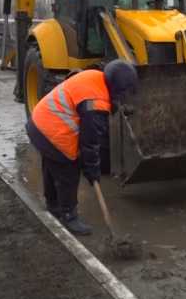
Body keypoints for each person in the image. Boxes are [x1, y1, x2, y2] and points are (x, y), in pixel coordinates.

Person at [25, 60, 138, 236]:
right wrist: (92, 170)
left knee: (51, 164)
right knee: (69, 169)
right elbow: (90, 144)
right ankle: (69, 216)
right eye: (123, 94)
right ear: (117, 89)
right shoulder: (96, 104)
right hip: (52, 131)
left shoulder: (95, 76)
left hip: (37, 123)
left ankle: (53, 205)